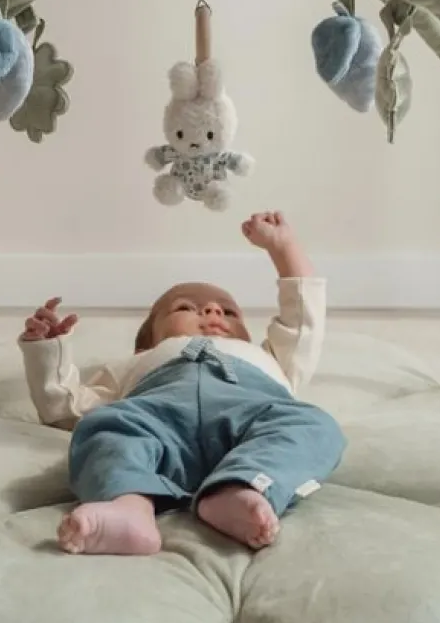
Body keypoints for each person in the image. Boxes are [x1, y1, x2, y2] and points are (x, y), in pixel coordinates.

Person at [19, 210, 345, 556]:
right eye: (187, 307)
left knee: (314, 425)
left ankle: (242, 488)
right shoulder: (136, 363)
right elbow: (66, 407)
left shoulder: (271, 358)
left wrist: (284, 248)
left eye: (228, 311)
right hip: (159, 426)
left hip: (250, 422)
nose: (213, 311)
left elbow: (302, 321)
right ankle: (128, 506)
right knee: (106, 427)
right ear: (148, 340)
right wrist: (48, 350)